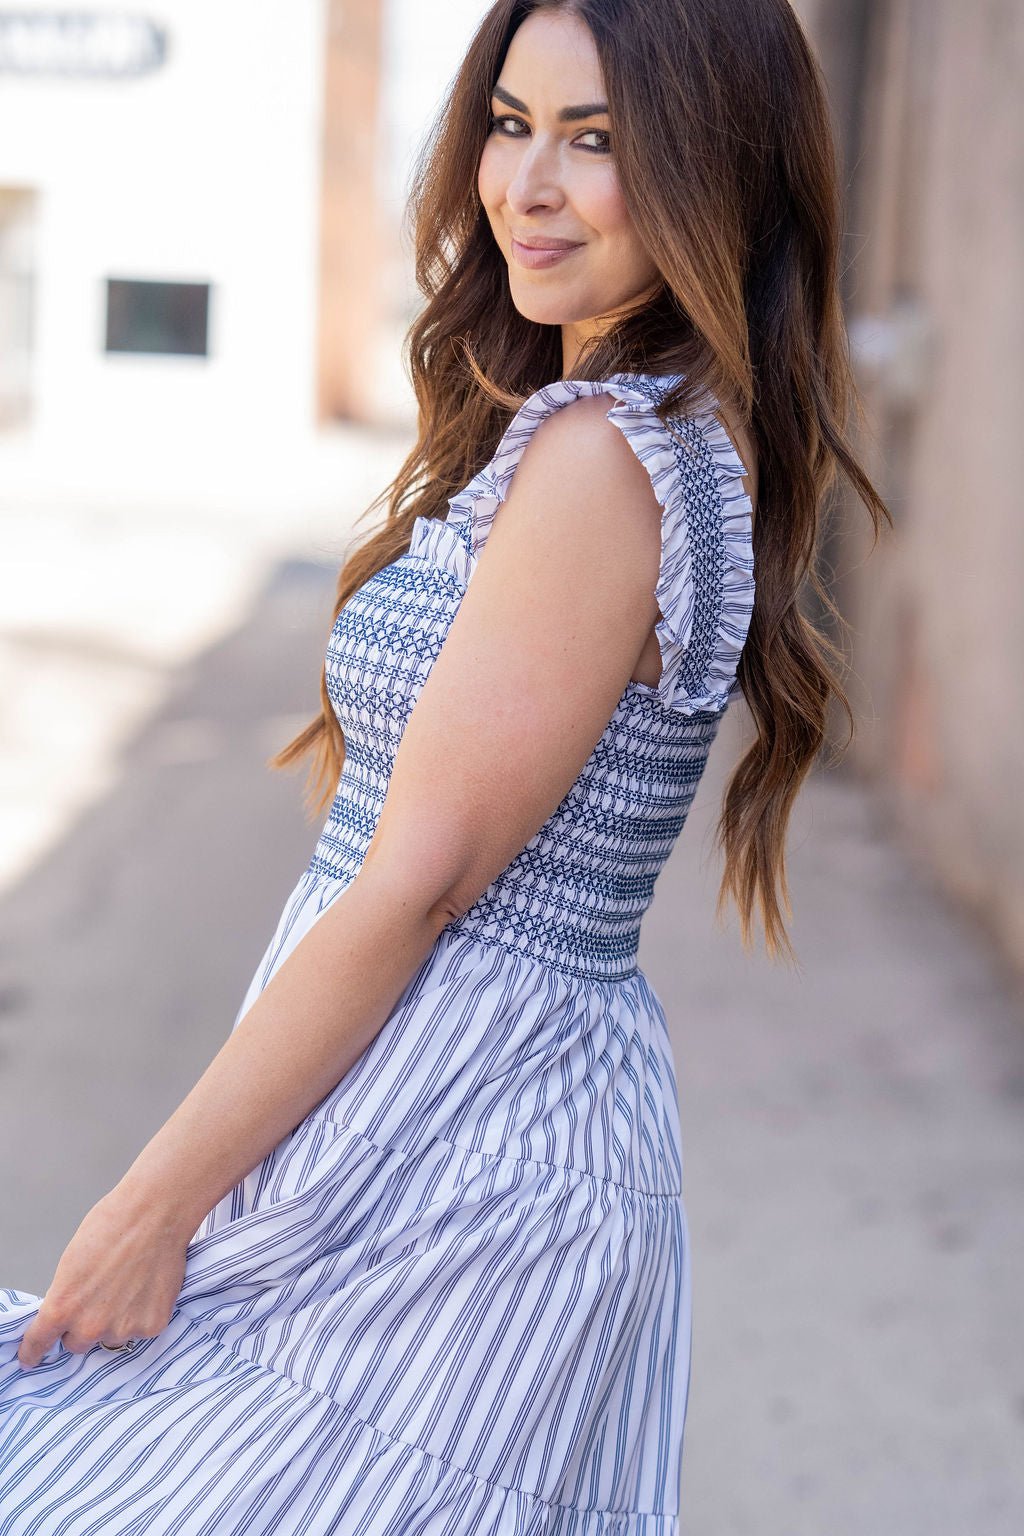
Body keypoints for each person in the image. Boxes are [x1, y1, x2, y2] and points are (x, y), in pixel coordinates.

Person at [0, 1, 889, 1531]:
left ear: (713, 170)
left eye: (597, 142)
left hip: (463, 1154)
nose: (527, 186)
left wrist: (152, 1203)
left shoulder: (607, 457)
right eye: (510, 122)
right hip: (446, 1119)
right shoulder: (640, 431)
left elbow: (417, 883)